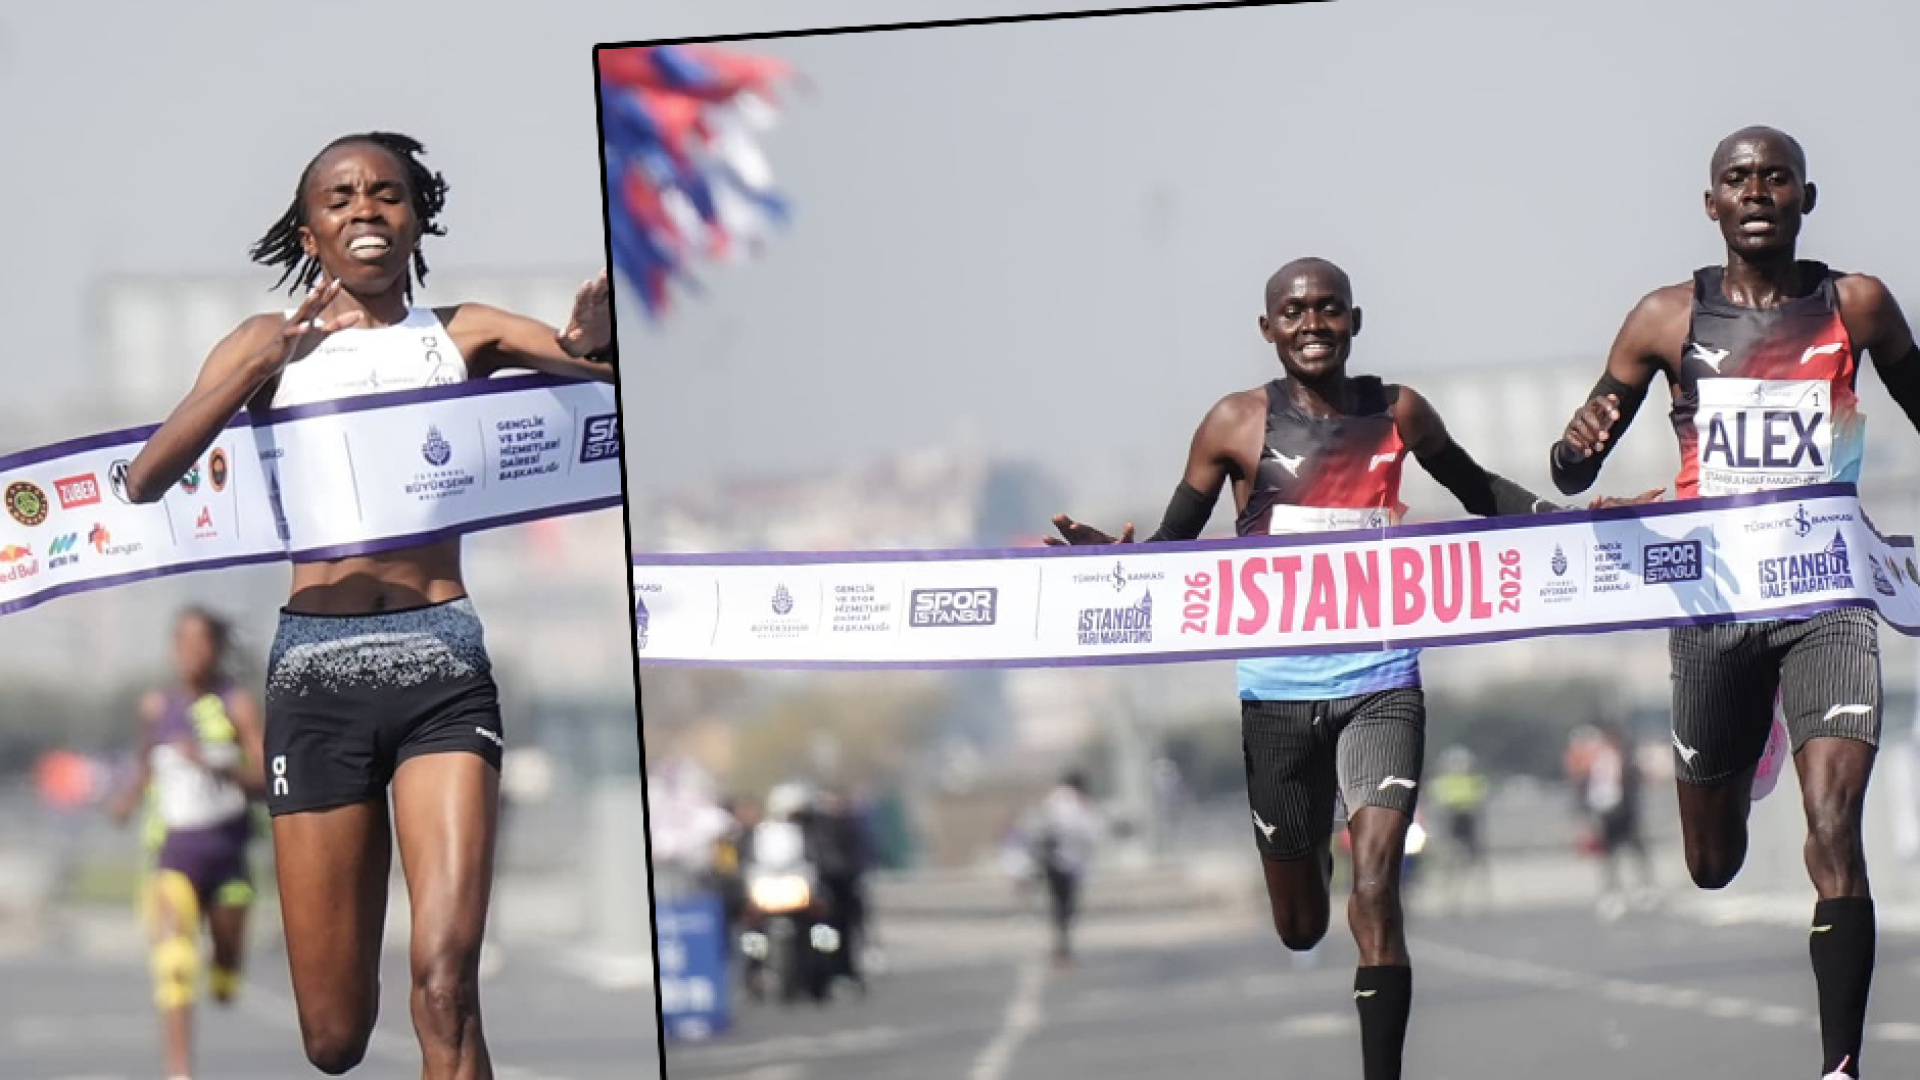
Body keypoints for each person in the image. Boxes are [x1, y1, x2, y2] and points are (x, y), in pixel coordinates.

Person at [1049, 258, 1657, 1080]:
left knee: (1377, 887)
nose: (1312, 325)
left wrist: (1576, 521)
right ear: (1267, 329)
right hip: (1277, 696)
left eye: (1328, 310)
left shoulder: (1397, 412)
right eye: (1293, 312)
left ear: (1354, 321)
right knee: (1301, 924)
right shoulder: (1233, 423)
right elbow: (1171, 551)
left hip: (1381, 683)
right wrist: (1113, 562)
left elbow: (1480, 490)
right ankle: (1307, 855)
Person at [124, 131, 615, 1078]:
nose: (366, 211)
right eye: (341, 198)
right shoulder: (263, 344)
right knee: (335, 1039)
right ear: (309, 232)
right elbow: (148, 479)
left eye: (387, 194)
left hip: (443, 670)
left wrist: (594, 346)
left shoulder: (464, 333)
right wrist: (268, 360)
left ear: (417, 217)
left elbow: (590, 369)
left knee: (444, 983)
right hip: (316, 678)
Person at [1547, 126, 1920, 1080]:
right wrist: (1578, 446)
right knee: (1711, 860)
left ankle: (1841, 1063)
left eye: (1776, 177)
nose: (1756, 190)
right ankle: (1749, 742)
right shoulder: (1665, 318)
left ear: (1807, 197)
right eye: (1736, 179)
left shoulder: (1859, 306)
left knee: (1834, 823)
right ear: (1710, 204)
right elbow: (1572, 462)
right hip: (1712, 601)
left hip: (1826, 594)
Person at [108, 606, 266, 1080]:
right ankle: (179, 1073)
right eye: (183, 642)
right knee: (174, 964)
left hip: (228, 853)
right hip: (173, 852)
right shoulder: (157, 706)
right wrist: (127, 797)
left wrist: (212, 763)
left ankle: (226, 969)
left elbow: (262, 777)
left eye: (201, 642)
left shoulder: (236, 704)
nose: (191, 652)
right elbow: (145, 762)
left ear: (217, 649)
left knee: (223, 969)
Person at [1026, 771, 1103, 969]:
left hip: (1058, 862)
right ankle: (1062, 949)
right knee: (1065, 907)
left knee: (1061, 908)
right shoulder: (1072, 803)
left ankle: (1061, 947)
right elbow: (1087, 832)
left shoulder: (1058, 801)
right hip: (1064, 862)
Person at [1582, 722, 1654, 920]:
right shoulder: (1598, 759)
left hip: (1625, 811)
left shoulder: (1626, 757)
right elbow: (1591, 787)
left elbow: (1634, 782)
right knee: (1609, 855)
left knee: (1636, 849)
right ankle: (1612, 893)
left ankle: (1645, 888)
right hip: (1606, 812)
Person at [1429, 746, 1492, 915]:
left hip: (1469, 824)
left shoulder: (1475, 781)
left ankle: (1482, 899)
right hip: (1452, 825)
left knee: (1477, 863)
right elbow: (1438, 806)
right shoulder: (1442, 783)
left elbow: (1481, 801)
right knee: (1451, 864)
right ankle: (1450, 900)